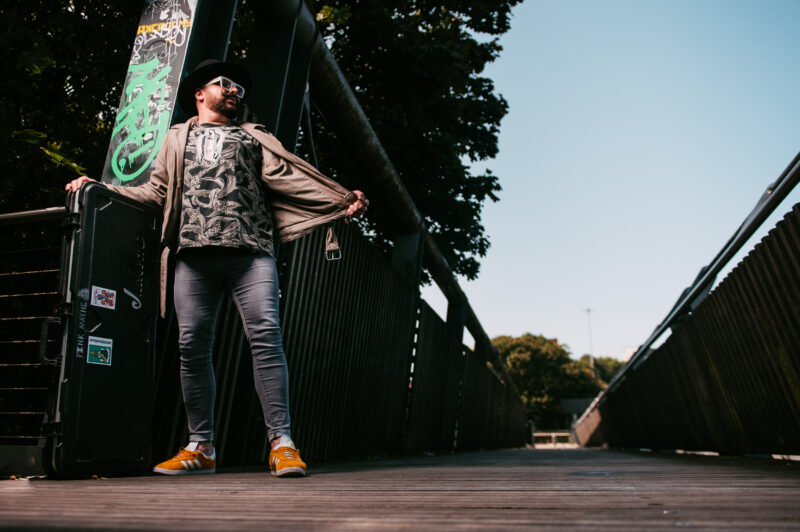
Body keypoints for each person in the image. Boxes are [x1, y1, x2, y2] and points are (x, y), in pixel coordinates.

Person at [66, 59, 368, 478]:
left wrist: (338, 198)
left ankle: (282, 444)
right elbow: (156, 192)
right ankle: (201, 447)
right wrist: (100, 188)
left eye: (238, 88)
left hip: (251, 253)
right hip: (192, 256)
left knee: (266, 338)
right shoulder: (177, 137)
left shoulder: (253, 137)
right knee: (191, 346)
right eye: (223, 84)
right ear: (199, 93)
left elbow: (288, 179)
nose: (232, 91)